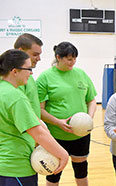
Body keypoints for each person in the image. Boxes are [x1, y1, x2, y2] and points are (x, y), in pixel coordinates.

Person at [0, 49, 68, 186]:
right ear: (14, 71)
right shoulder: (15, 97)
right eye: (28, 68)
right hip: (16, 168)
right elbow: (38, 133)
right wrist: (63, 154)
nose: (31, 73)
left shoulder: (2, 90)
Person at [36, 41, 97, 186]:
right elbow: (39, 109)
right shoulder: (45, 77)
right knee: (53, 173)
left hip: (81, 135)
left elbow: (92, 100)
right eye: (69, 59)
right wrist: (58, 122)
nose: (73, 62)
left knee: (81, 169)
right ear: (58, 57)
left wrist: (89, 118)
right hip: (56, 135)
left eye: (75, 58)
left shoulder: (81, 74)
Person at [14, 33, 43, 118]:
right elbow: (20, 112)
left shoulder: (28, 76)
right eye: (35, 54)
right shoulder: (12, 77)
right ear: (21, 51)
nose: (39, 59)